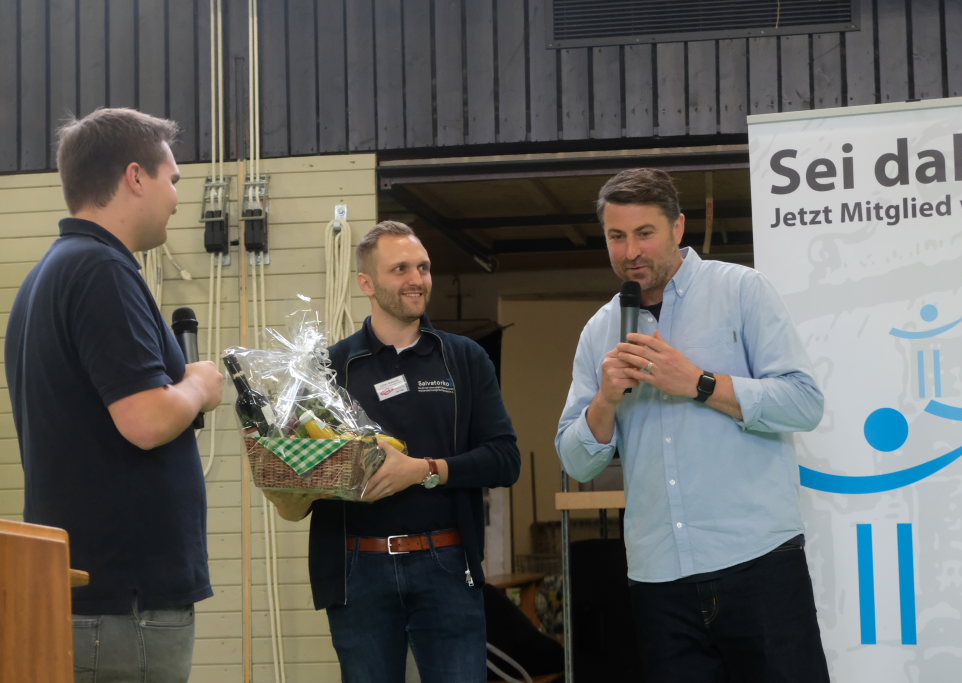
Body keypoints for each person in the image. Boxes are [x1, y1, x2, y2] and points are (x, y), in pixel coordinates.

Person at [555, 168, 830, 682]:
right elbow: (576, 461)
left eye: (645, 233)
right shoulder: (599, 331)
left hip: (758, 563)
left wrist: (699, 382)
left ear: (678, 227)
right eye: (616, 236)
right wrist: (605, 401)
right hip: (659, 580)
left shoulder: (742, 291)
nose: (630, 251)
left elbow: (804, 403)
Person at [5, 108, 225, 683]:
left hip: (96, 599)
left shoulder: (50, 274)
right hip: (126, 608)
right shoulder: (102, 269)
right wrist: (198, 386)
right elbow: (145, 420)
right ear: (134, 177)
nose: (177, 198)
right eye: (172, 179)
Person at [266, 220, 520, 683]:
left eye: (423, 267)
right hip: (356, 571)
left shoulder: (463, 358)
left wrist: (424, 470)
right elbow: (297, 476)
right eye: (400, 269)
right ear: (366, 283)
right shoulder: (328, 369)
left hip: (447, 565)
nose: (417, 279)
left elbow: (505, 459)